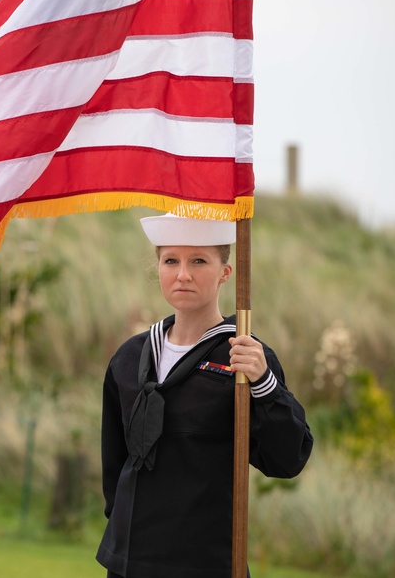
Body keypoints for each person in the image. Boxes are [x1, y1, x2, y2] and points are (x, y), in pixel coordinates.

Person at [96, 213, 314, 578]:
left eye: (199, 260)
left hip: (206, 563)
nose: (183, 274)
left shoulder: (246, 358)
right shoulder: (129, 357)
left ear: (225, 272)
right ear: (159, 268)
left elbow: (287, 459)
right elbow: (114, 464)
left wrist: (263, 383)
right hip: (129, 561)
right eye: (171, 261)